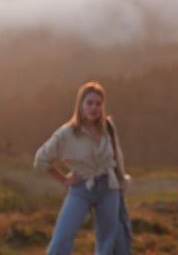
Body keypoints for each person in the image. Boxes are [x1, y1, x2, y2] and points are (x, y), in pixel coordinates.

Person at [34, 82, 131, 255]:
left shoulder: (107, 127)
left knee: (108, 241)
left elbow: (118, 156)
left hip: (109, 187)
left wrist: (121, 182)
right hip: (81, 188)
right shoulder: (67, 133)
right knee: (61, 240)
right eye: (89, 103)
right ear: (80, 104)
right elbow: (42, 159)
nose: (94, 107)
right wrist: (64, 179)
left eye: (98, 103)